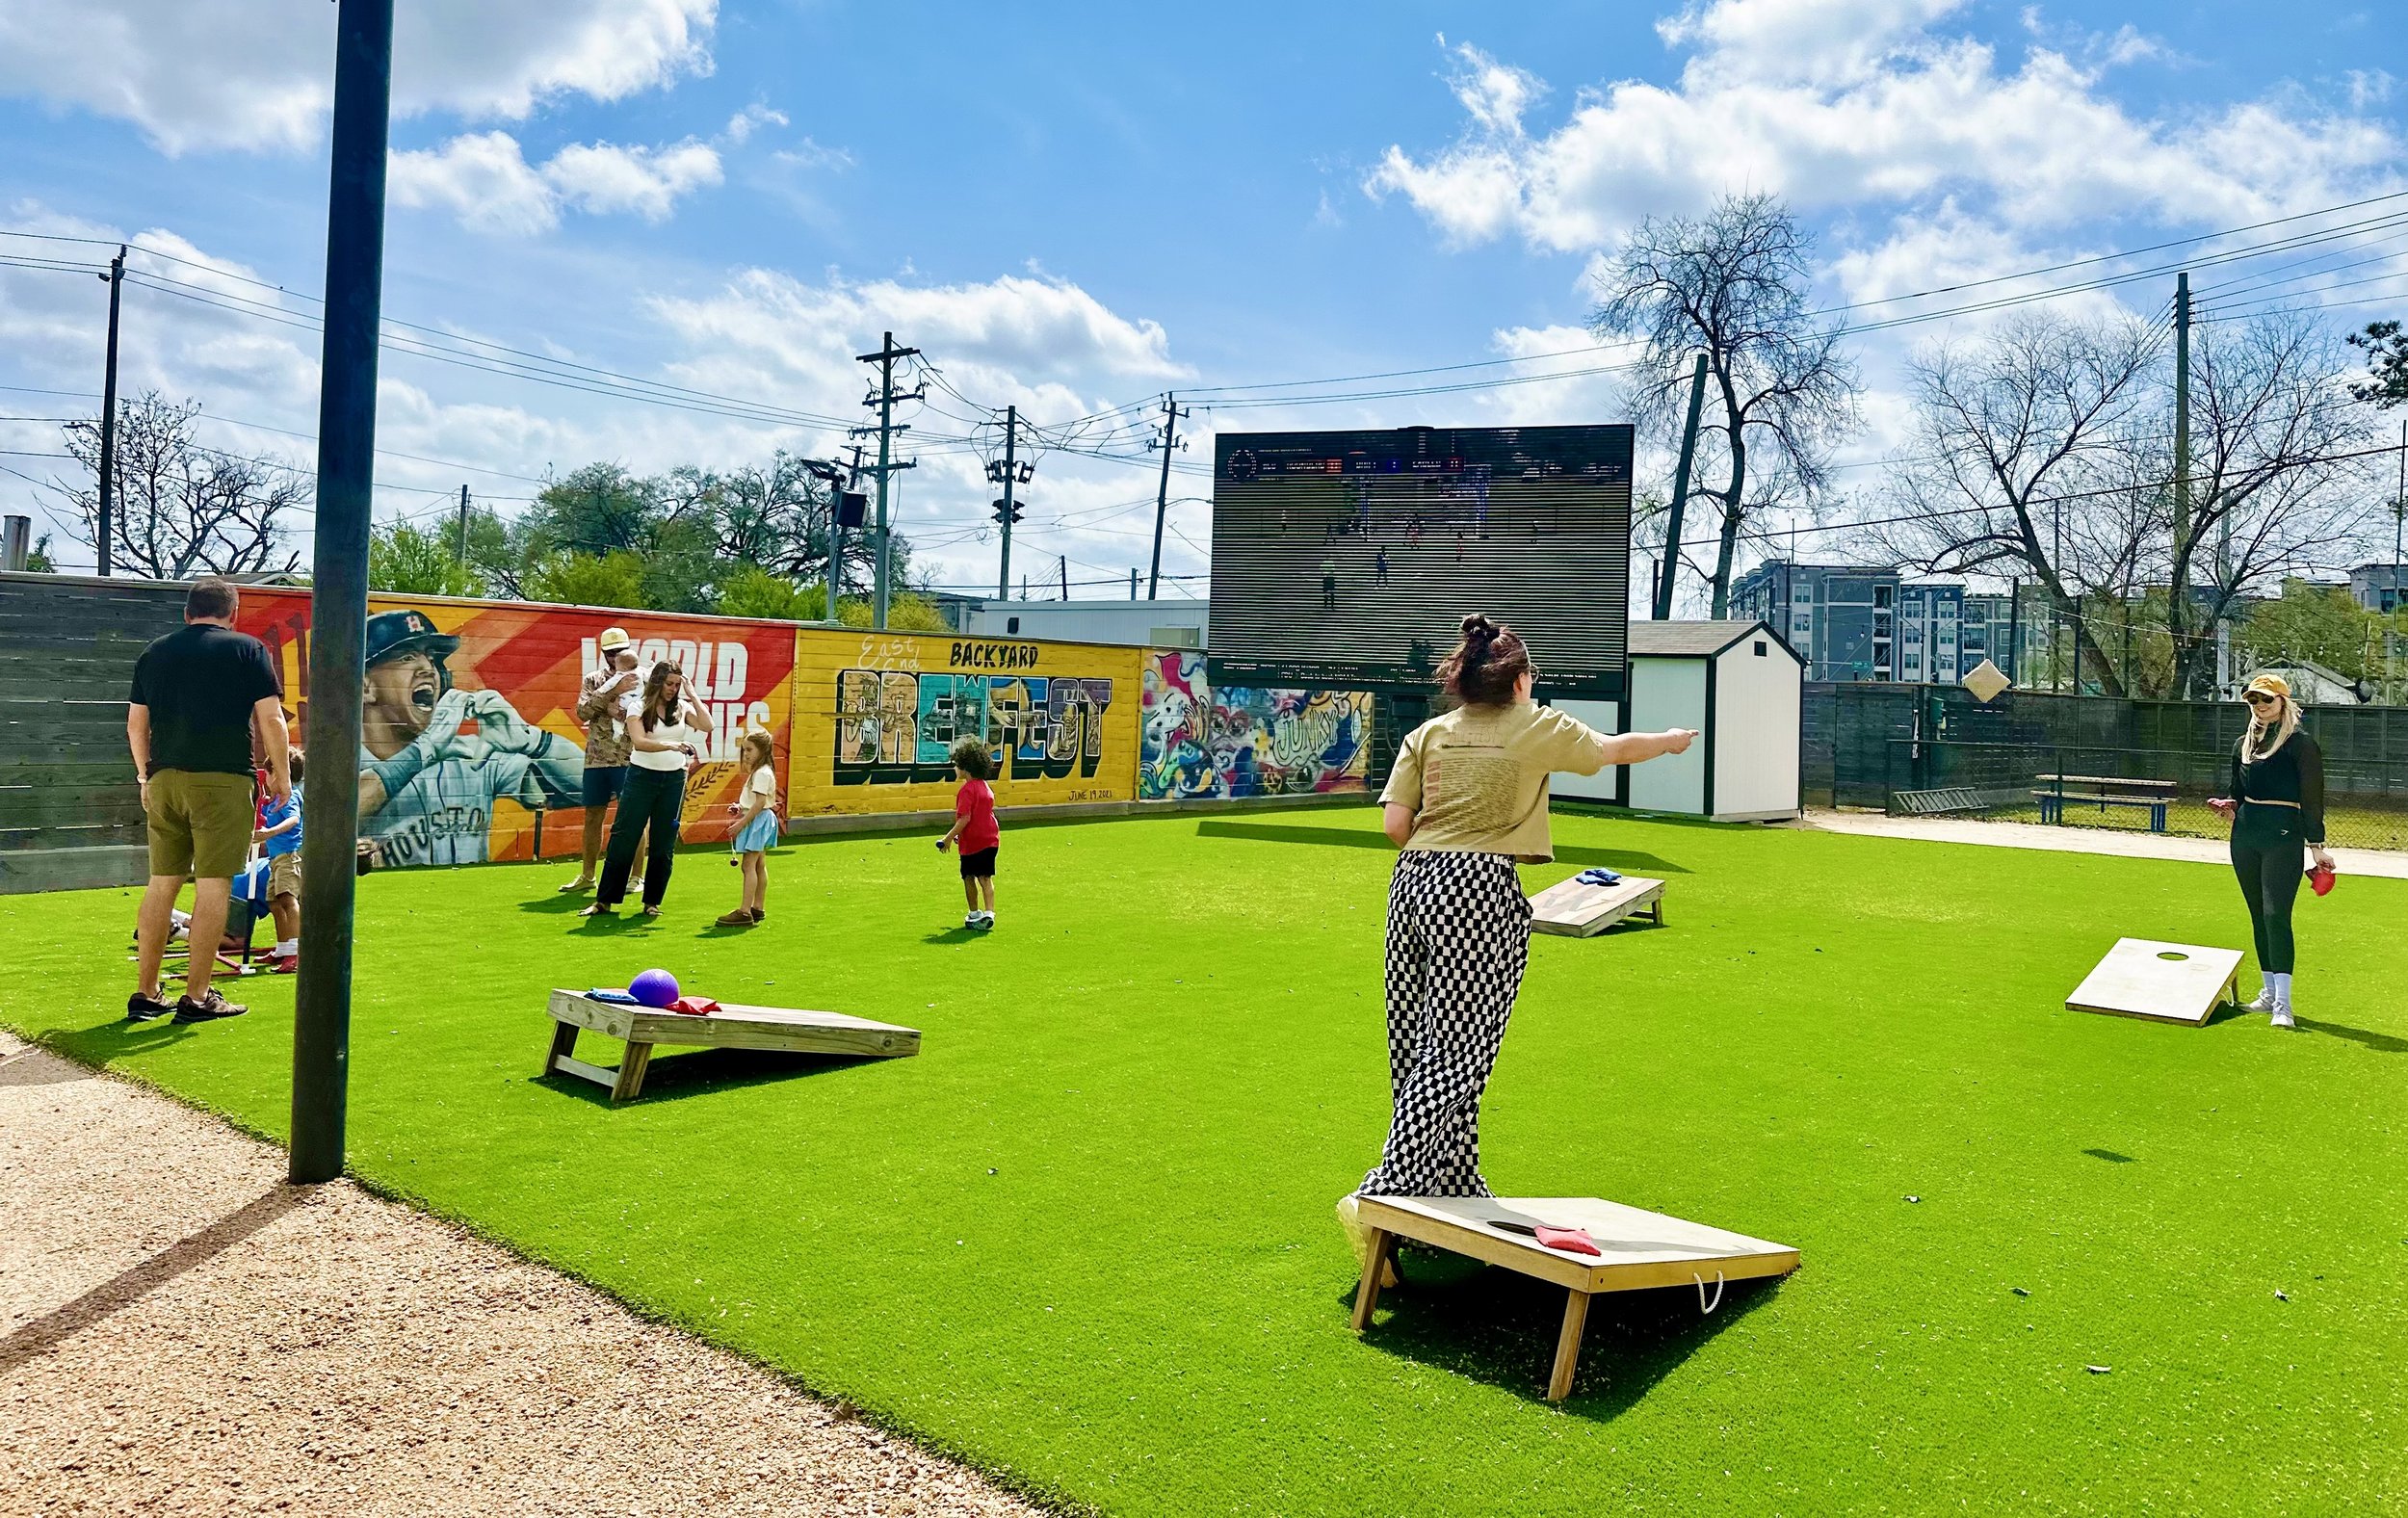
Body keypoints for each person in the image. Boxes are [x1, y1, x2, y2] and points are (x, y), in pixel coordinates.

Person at [1336, 615, 1697, 1269]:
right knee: (1459, 1054)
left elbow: (1395, 824)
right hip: (1479, 888)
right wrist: (1671, 742)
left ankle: (1451, 1184)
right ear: (1521, 681)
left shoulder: (1427, 734)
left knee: (1415, 1043)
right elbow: (1615, 749)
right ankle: (1379, 1195)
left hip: (1411, 882)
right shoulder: (1538, 725)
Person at [126, 577, 289, 1025]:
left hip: (163, 780)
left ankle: (146, 993)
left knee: (163, 881)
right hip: (222, 781)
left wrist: (145, 775)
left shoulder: (154, 652)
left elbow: (135, 724)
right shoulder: (248, 649)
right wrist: (282, 774)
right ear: (232, 614)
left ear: (187, 613)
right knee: (214, 883)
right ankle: (196, 997)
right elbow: (271, 717)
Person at [356, 608, 583, 867]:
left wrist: (533, 740)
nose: (427, 669)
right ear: (365, 687)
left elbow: (591, 790)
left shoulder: (471, 756)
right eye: (407, 657)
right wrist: (423, 751)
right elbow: (324, 822)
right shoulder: (337, 764)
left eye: (431, 659)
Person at [2209, 673, 2332, 1029]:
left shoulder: (2300, 744)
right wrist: (2226, 803)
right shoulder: (2242, 745)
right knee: (2258, 915)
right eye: (2253, 700)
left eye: (2267, 699)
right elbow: (2236, 789)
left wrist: (2317, 846)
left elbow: (2313, 798)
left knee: (2277, 915)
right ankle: (2267, 993)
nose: (2260, 707)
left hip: (2283, 835)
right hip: (2245, 834)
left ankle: (2284, 1004)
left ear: (2283, 701)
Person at [583, 661, 710, 920]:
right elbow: (640, 743)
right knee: (624, 837)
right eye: (669, 684)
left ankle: (652, 902)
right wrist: (672, 746)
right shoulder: (637, 707)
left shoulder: (682, 707)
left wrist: (692, 693)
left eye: (677, 684)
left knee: (664, 843)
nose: (673, 689)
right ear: (657, 682)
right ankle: (604, 901)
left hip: (674, 780)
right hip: (641, 778)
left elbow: (708, 725)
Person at [563, 627, 642, 893]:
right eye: (611, 653)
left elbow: (640, 713)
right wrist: (610, 695)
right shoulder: (593, 679)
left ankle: (636, 877)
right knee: (592, 816)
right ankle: (588, 876)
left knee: (633, 818)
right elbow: (582, 712)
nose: (615, 657)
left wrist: (611, 706)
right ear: (604, 653)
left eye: (620, 651)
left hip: (630, 757)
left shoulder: (641, 678)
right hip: (597, 757)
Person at [935, 736, 1000, 931]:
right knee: (986, 877)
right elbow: (983, 815)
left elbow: (965, 818)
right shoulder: (986, 788)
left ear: (965, 768)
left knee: (968, 876)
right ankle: (989, 912)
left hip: (973, 843)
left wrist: (947, 839)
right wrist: (959, 835)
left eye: (957, 765)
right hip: (991, 840)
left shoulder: (966, 790)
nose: (955, 768)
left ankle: (974, 913)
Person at [719, 731, 780, 927]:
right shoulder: (761, 771)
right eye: (744, 750)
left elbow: (760, 803)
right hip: (761, 819)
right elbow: (756, 801)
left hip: (758, 820)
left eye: (749, 750)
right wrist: (740, 806)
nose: (745, 754)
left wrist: (741, 823)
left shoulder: (761, 773)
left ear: (762, 750)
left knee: (748, 865)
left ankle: (745, 911)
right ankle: (758, 907)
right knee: (759, 865)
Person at [254, 747, 304, 974]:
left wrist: (270, 832)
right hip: (276, 858)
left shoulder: (290, 795)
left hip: (289, 856)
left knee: (288, 899)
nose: (269, 780)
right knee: (274, 902)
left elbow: (294, 819)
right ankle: (283, 948)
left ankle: (295, 951)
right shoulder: (272, 799)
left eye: (270, 774)